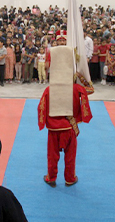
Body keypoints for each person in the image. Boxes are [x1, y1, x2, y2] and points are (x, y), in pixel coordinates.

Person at [39, 46, 93, 187]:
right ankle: (69, 178)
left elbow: (41, 108)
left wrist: (43, 122)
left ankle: (51, 178)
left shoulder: (49, 90)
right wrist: (80, 74)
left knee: (52, 156)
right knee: (70, 156)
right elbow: (91, 89)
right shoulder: (77, 89)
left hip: (53, 128)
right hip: (69, 127)